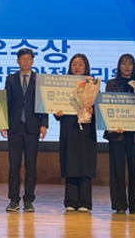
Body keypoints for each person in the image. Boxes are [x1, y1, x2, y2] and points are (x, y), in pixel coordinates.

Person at [1, 48, 48, 212]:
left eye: (28, 59)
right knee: (14, 165)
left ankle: (29, 200)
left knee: (31, 166)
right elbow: (6, 102)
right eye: (23, 59)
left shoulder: (39, 79)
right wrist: (2, 122)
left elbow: (44, 102)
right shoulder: (10, 79)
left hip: (32, 127)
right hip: (14, 127)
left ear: (32, 61)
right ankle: (13, 199)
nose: (26, 62)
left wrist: (44, 123)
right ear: (18, 61)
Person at [104, 53, 135, 215]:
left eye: (130, 63)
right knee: (117, 170)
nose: (127, 66)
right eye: (123, 63)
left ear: (134, 66)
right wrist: (114, 124)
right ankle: (119, 204)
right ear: (119, 66)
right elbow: (107, 107)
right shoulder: (111, 84)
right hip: (117, 134)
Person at [54, 53, 97, 212]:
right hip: (69, 128)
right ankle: (71, 201)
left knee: (85, 164)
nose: (77, 67)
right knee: (70, 163)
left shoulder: (92, 85)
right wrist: (57, 113)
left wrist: (93, 111)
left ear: (86, 66)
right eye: (74, 64)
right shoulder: (63, 85)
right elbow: (56, 106)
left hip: (86, 130)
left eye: (80, 64)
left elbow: (99, 111)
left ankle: (85, 202)